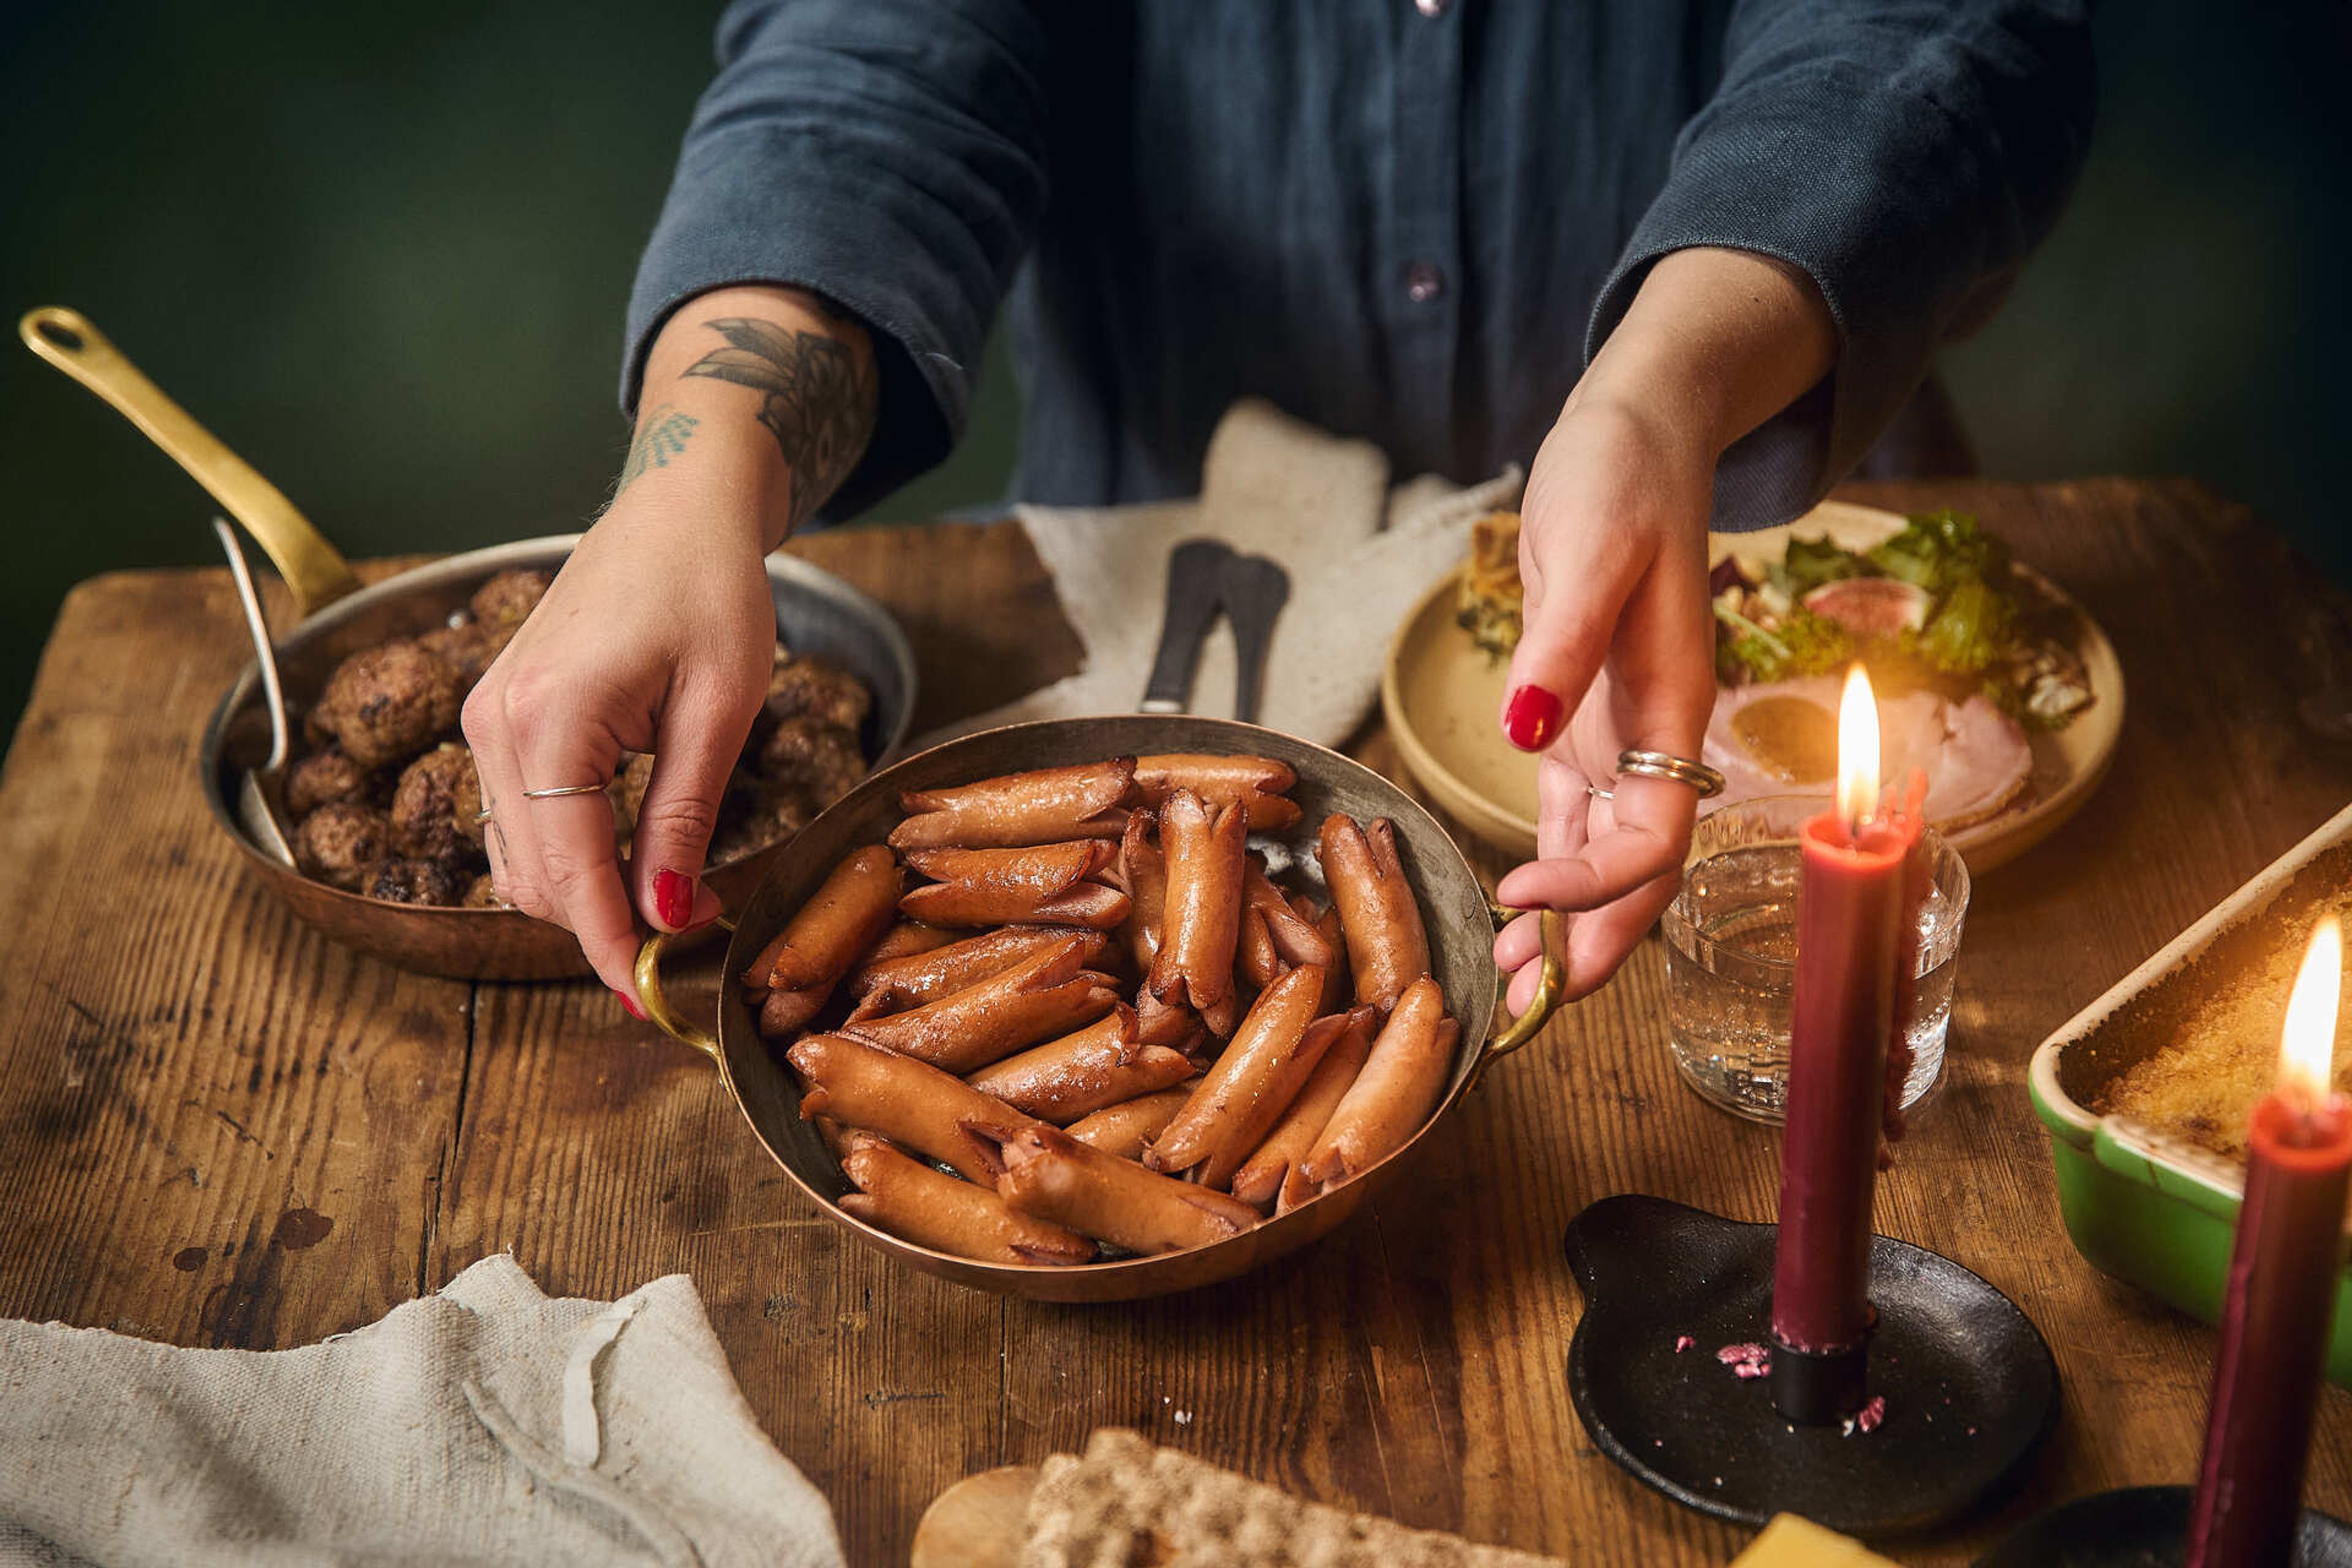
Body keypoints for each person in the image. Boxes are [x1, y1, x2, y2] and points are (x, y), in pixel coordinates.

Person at [462, 1, 2095, 1016]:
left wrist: (1659, 389)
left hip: (1727, 626)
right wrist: (704, 460)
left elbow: (1939, 28)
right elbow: (872, 63)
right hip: (1143, 640)